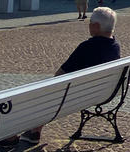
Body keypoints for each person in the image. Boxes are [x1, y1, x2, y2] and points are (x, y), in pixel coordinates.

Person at [20, 7, 120, 144]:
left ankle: (34, 131)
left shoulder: (87, 47)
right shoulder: (115, 46)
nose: (89, 25)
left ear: (96, 26)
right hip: (105, 92)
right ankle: (35, 129)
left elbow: (60, 74)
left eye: (90, 23)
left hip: (79, 95)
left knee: (46, 91)